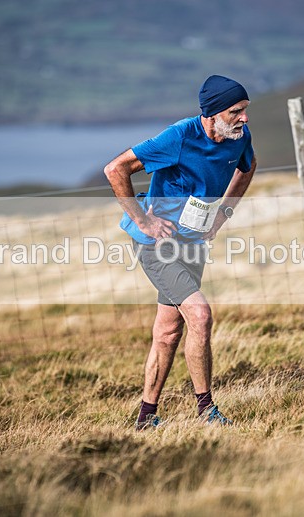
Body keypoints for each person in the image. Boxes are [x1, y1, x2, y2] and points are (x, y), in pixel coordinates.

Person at [103, 75, 257, 430]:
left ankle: (145, 417)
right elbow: (115, 169)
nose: (245, 119)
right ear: (212, 114)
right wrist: (142, 220)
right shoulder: (180, 136)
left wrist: (224, 213)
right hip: (157, 245)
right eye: (236, 111)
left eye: (246, 110)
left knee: (168, 332)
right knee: (200, 315)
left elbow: (248, 169)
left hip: (193, 244)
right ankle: (207, 411)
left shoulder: (238, 137)